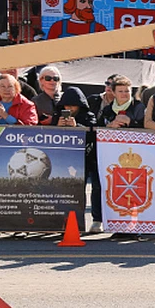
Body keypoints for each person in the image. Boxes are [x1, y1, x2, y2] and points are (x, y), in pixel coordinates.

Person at [53, 86, 102, 232]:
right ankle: (70, 221)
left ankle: (97, 219)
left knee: (96, 188)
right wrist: (57, 126)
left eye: (72, 105)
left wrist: (78, 127)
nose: (69, 108)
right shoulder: (57, 116)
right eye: (66, 106)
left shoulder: (89, 116)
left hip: (89, 157)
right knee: (71, 190)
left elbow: (93, 133)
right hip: (68, 160)